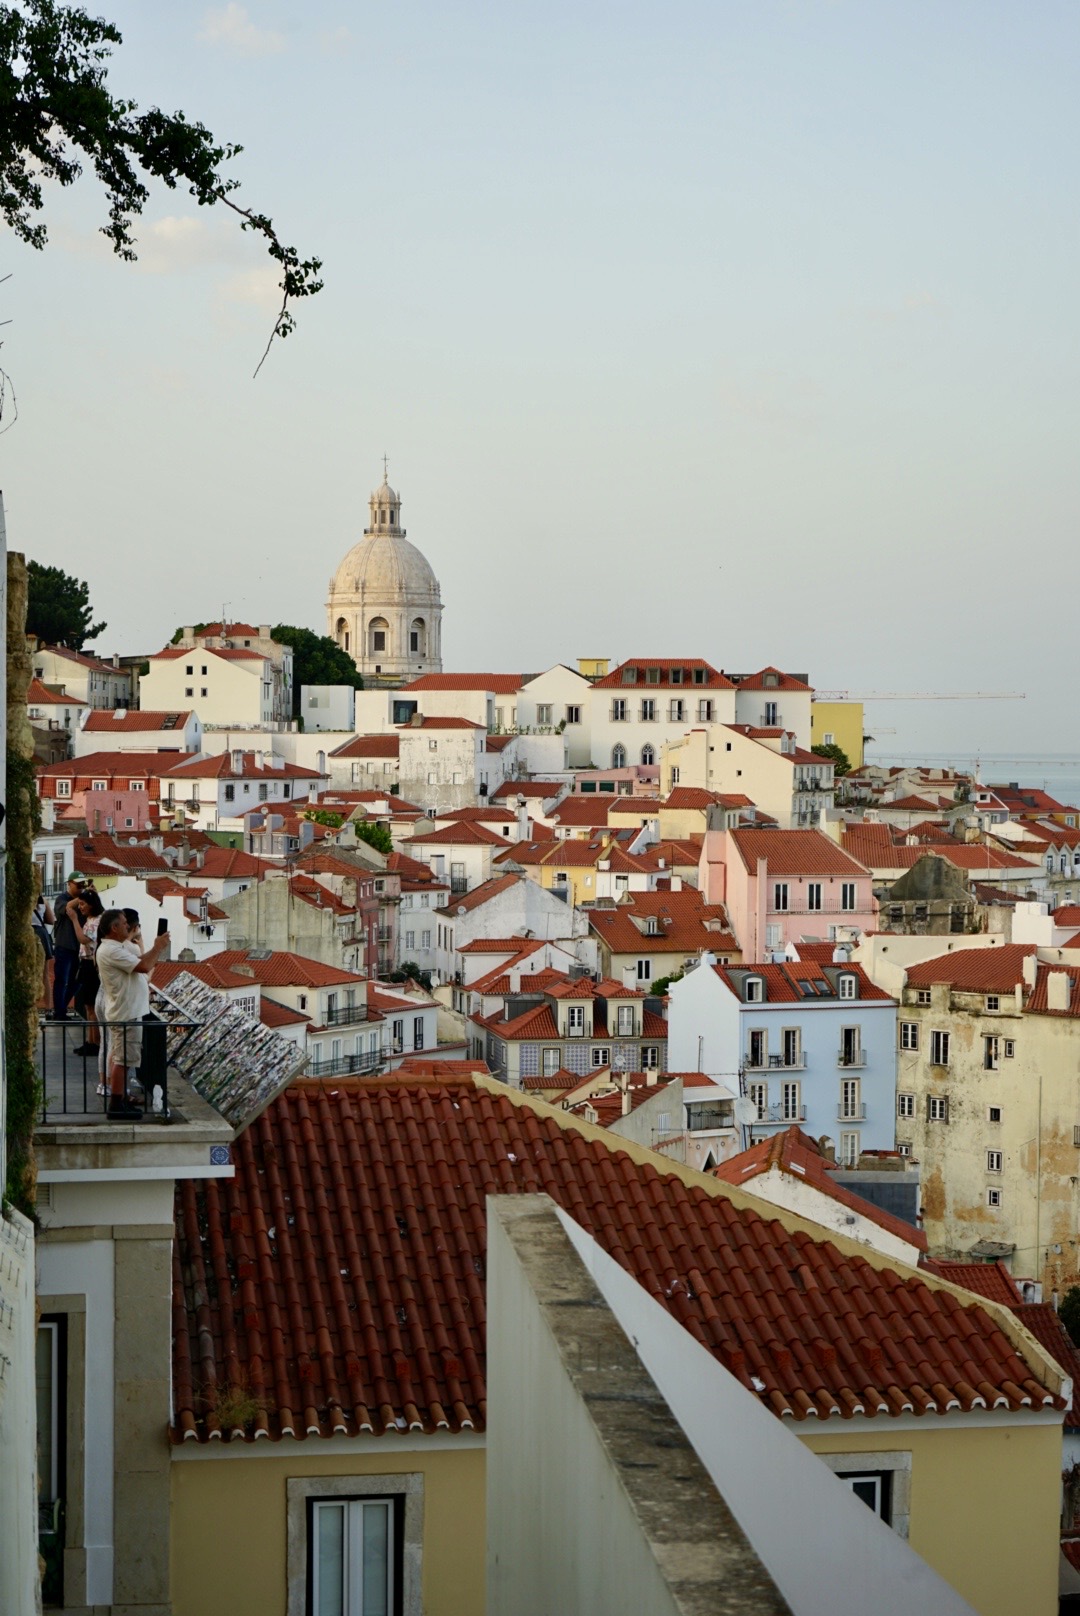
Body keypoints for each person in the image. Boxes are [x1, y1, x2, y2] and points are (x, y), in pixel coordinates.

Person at [95, 909, 170, 1119]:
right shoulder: (111, 951)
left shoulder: (115, 947)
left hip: (126, 1010)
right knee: (123, 1059)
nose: (128, 926)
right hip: (125, 1012)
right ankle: (117, 1106)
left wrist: (152, 946)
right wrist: (158, 946)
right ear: (114, 928)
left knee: (121, 1057)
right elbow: (145, 966)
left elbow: (142, 959)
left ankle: (119, 1101)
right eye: (125, 923)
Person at [69, 889, 104, 1058]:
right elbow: (70, 906)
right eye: (80, 904)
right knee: (88, 1005)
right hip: (85, 963)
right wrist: (84, 893)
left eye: (83, 904)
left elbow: (83, 939)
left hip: (91, 964)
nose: (80, 907)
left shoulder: (97, 921)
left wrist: (75, 920)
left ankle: (95, 1042)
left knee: (92, 1005)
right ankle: (91, 1040)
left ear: (92, 905)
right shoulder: (91, 919)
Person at [50, 873, 85, 1020]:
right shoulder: (62, 898)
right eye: (79, 885)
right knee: (61, 980)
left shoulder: (83, 901)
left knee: (76, 982)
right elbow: (65, 908)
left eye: (83, 885)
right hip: (64, 945)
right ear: (69, 884)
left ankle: (61, 1008)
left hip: (79, 947)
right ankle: (59, 1012)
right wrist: (82, 898)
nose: (81, 888)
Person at [32, 889, 55, 998]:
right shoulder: (43, 901)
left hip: (28, 932)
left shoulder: (24, 901)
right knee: (45, 975)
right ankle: (48, 1009)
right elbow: (51, 920)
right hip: (41, 935)